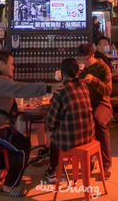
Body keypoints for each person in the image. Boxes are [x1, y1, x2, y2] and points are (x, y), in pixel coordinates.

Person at [0, 51, 47, 197]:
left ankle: (2, 169)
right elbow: (21, 88)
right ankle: (9, 186)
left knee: (10, 137)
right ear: (2, 64)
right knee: (23, 146)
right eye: (11, 64)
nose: (13, 67)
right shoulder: (0, 82)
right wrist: (48, 88)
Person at [43, 58, 95, 184]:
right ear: (78, 72)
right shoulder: (84, 86)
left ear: (62, 74)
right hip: (89, 136)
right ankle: (89, 160)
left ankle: (52, 170)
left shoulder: (61, 91)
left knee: (55, 135)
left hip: (71, 139)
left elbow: (51, 121)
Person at [76, 43, 113, 177]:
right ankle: (88, 158)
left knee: (98, 121)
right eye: (80, 59)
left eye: (85, 59)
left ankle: (106, 164)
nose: (83, 62)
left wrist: (94, 80)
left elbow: (108, 90)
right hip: (84, 102)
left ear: (92, 55)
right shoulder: (80, 68)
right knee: (79, 122)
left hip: (101, 102)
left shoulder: (102, 67)